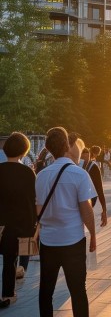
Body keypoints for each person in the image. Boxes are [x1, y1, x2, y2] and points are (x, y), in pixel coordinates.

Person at [36, 127, 97, 317]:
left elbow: (38, 210)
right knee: (78, 290)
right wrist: (93, 235)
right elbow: (86, 210)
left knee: (46, 290)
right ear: (66, 146)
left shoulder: (40, 176)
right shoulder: (79, 174)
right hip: (73, 240)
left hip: (48, 241)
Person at [0, 132, 37, 309]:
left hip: (1, 224)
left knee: (7, 259)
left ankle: (8, 290)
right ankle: (8, 292)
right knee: (13, 258)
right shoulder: (28, 173)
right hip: (20, 225)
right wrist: (33, 225)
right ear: (24, 151)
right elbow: (32, 200)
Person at [80, 145, 108, 227]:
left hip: (83, 203)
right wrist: (104, 211)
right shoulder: (93, 166)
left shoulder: (73, 166)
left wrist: (104, 210)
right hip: (87, 201)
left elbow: (99, 190)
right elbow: (100, 190)